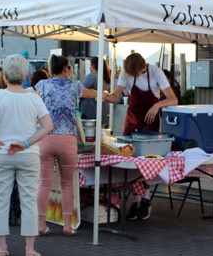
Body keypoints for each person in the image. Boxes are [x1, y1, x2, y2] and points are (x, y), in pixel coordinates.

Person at [0, 54, 53, 256]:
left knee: (2, 200)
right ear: (25, 76)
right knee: (29, 200)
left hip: (2, 153)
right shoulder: (34, 97)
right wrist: (26, 143)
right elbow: (48, 126)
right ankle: (30, 249)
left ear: (5, 75)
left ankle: (2, 247)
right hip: (27, 154)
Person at [104, 52, 178, 220]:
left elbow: (173, 99)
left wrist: (157, 105)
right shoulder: (126, 71)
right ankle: (136, 201)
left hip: (150, 121)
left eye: (135, 75)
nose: (132, 77)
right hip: (132, 119)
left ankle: (145, 198)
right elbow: (116, 96)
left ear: (143, 68)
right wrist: (105, 97)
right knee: (129, 158)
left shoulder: (156, 72)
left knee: (148, 160)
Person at [35, 55, 98, 236]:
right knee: (67, 184)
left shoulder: (41, 85)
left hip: (46, 139)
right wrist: (105, 94)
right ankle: (67, 226)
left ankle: (41, 224)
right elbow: (91, 93)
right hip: (68, 140)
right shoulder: (75, 85)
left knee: (44, 183)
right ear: (66, 68)